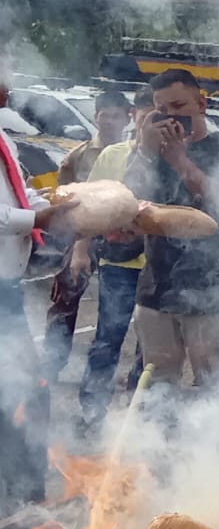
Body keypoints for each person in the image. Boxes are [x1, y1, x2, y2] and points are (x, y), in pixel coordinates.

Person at [124, 69, 219, 398]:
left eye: (179, 106)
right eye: (161, 110)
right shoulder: (151, 152)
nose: (171, 117)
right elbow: (126, 201)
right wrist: (145, 151)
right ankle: (155, 445)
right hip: (157, 286)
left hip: (214, 287)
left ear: (201, 104)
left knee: (214, 381)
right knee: (156, 379)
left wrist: (181, 161)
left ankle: (217, 448)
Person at [0, 56, 76, 508]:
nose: (8, 89)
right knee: (19, 386)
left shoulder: (3, 135)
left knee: (24, 385)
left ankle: (24, 485)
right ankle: (19, 487)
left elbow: (18, 191)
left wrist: (57, 201)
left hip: (8, 287)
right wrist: (39, 215)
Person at [74, 89, 155, 427]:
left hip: (157, 268)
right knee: (108, 338)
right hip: (118, 264)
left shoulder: (175, 159)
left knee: (149, 349)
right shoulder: (113, 156)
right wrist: (80, 250)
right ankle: (92, 413)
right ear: (134, 115)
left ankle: (136, 420)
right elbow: (87, 206)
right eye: (146, 115)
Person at [40, 89, 132, 378]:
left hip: (121, 240)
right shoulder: (76, 157)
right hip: (81, 238)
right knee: (65, 299)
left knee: (113, 308)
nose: (109, 121)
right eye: (104, 114)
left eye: (116, 115)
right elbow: (62, 200)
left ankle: (102, 372)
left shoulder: (134, 154)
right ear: (96, 117)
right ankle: (52, 365)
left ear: (128, 118)